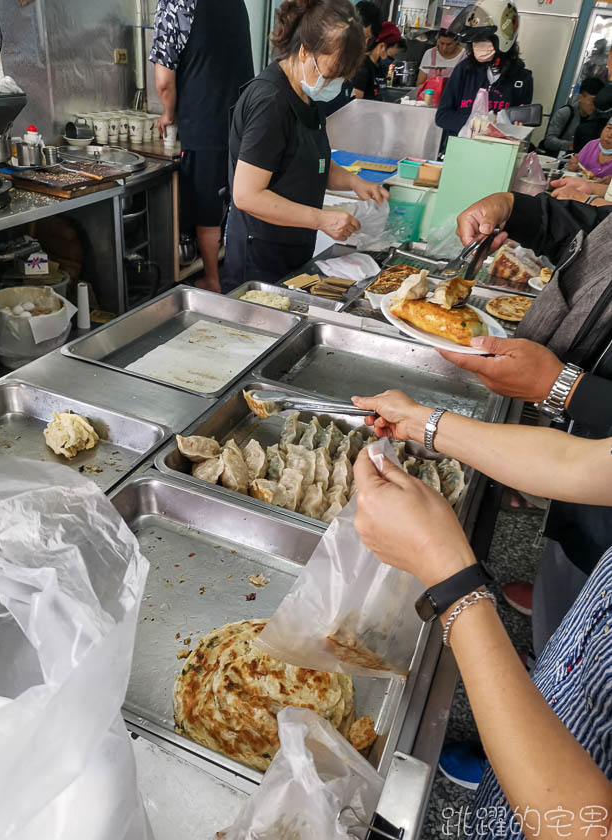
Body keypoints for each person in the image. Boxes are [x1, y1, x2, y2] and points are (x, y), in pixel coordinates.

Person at [350, 392, 612, 839]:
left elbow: (579, 828)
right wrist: (425, 424)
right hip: (551, 713)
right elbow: (583, 464)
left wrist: (451, 579)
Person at [435, 190, 612, 664]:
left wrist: (564, 388)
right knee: (568, 567)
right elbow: (598, 234)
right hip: (586, 457)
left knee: (587, 651)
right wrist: (517, 208)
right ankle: (552, 644)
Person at [221, 0, 388, 294]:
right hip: (259, 252)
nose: (334, 82)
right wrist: (321, 219)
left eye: (342, 77)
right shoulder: (270, 103)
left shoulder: (309, 96)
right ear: (304, 52)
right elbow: (247, 195)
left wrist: (352, 181)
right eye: (332, 72)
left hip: (293, 246)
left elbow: (311, 162)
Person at [150, 0, 254, 293]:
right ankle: (238, 276)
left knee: (207, 207)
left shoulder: (175, 4)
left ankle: (212, 279)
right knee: (237, 201)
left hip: (205, 118)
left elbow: (164, 81)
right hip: (245, 119)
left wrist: (168, 113)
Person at [436, 0, 533, 147]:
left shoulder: (522, 78)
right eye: (474, 41)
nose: (478, 47)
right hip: (459, 150)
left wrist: (513, 127)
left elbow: (520, 126)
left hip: (497, 154)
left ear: (503, 40)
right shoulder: (464, 70)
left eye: (484, 40)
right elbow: (442, 116)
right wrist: (480, 124)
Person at [543, 77, 604, 156]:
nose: (595, 106)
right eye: (592, 101)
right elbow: (549, 141)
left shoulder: (597, 117)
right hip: (558, 159)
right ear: (580, 97)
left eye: (598, 102)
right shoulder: (565, 113)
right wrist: (574, 145)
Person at [352, 23, 401, 100]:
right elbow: (355, 102)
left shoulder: (379, 66)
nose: (391, 60)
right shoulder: (363, 67)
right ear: (382, 46)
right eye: (391, 56)